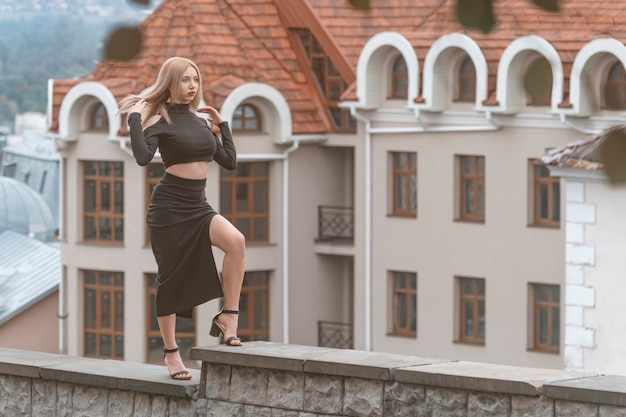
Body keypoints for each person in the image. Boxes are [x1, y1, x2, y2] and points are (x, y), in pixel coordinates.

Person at [119, 57, 246, 381]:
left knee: (236, 242)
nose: (192, 86)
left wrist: (223, 125)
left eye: (195, 79)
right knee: (171, 280)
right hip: (168, 209)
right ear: (171, 83)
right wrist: (135, 118)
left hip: (197, 204)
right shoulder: (159, 121)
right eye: (186, 80)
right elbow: (143, 158)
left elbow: (229, 161)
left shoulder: (200, 121)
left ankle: (228, 317)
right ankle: (172, 353)